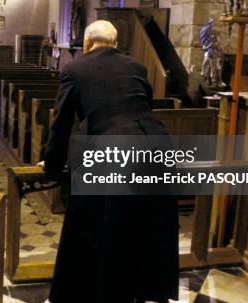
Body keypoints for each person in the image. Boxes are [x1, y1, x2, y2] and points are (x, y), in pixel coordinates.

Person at [40, 20, 179, 303]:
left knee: (105, 228)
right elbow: (141, 109)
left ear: (87, 43)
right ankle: (145, 290)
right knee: (148, 228)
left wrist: (52, 166)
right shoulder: (136, 67)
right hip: (157, 148)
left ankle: (100, 293)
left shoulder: (74, 69)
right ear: (115, 45)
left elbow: (61, 124)